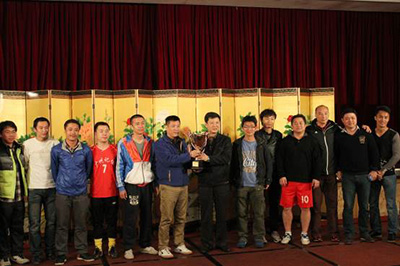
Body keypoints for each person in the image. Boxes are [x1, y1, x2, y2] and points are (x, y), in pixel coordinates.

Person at [154, 115, 198, 259]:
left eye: (178, 126)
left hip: (183, 184)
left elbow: (185, 161)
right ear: (166, 127)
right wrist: (188, 155)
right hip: (168, 185)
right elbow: (168, 160)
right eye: (173, 126)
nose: (176, 129)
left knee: (181, 218)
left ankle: (179, 243)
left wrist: (195, 160)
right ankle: (163, 246)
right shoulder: (159, 144)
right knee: (166, 218)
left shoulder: (182, 142)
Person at [51, 119, 94, 265]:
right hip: (62, 192)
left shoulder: (86, 150)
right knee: (62, 225)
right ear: (65, 131)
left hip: (81, 192)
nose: (73, 132)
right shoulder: (56, 150)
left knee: (81, 224)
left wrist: (81, 182)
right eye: (70, 129)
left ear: (79, 131)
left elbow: (88, 170)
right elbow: (54, 170)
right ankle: (61, 254)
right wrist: (61, 183)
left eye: (76, 129)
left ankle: (82, 251)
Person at [335, 108, 380, 245]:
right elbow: (335, 155)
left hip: (365, 176)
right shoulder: (339, 135)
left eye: (353, 118)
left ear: (357, 119)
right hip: (347, 176)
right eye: (347, 118)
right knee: (348, 206)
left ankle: (364, 232)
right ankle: (349, 234)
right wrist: (337, 170)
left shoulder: (365, 134)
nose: (350, 120)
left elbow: (374, 154)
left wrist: (374, 170)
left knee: (364, 206)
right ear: (342, 121)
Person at [116, 115, 158, 260]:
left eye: (142, 123)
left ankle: (145, 244)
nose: (140, 126)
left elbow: (154, 163)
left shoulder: (150, 142)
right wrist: (121, 186)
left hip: (147, 184)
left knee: (147, 215)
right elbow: (119, 166)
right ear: (131, 126)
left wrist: (155, 184)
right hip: (131, 185)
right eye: (137, 124)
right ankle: (128, 247)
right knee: (130, 217)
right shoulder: (123, 142)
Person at [277, 114, 321, 246]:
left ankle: (304, 233)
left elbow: (318, 160)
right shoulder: (285, 141)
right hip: (288, 182)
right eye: (295, 123)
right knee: (286, 208)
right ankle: (288, 233)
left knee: (305, 208)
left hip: (306, 182)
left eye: (301, 123)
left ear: (305, 125)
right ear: (291, 125)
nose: (298, 125)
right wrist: (281, 175)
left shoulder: (312, 141)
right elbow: (279, 160)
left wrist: (316, 177)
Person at [231, 115, 272, 248]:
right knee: (241, 213)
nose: (249, 129)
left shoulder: (261, 144)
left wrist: (268, 179)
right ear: (242, 128)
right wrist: (233, 181)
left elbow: (268, 162)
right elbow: (233, 165)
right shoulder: (237, 144)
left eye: (251, 127)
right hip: (242, 184)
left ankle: (259, 237)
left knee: (259, 213)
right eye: (246, 127)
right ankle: (243, 237)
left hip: (257, 183)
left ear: (256, 128)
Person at [23, 117, 59, 264]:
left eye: (46, 128)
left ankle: (50, 250)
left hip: (52, 188)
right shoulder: (27, 145)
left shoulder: (55, 144)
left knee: (51, 222)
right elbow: (24, 165)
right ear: (35, 129)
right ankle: (36, 253)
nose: (44, 130)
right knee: (34, 223)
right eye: (41, 128)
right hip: (34, 188)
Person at [196, 112, 232, 253]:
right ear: (206, 124)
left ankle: (222, 242)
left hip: (222, 181)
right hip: (204, 182)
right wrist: (196, 166)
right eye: (212, 123)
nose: (215, 125)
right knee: (205, 215)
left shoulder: (225, 140)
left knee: (222, 214)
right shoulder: (199, 139)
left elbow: (225, 158)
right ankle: (206, 244)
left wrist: (208, 158)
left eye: (217, 122)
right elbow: (195, 161)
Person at [306, 105, 340, 242]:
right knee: (316, 206)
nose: (323, 116)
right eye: (320, 113)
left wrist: (364, 128)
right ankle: (315, 233)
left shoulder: (336, 129)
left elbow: (351, 133)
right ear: (315, 114)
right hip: (316, 176)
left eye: (326, 113)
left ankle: (333, 232)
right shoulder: (309, 130)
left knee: (332, 206)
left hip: (332, 174)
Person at [0, 121, 30, 266]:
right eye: (7, 131)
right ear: (1, 134)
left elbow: (23, 170)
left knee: (18, 227)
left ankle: (16, 254)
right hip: (4, 197)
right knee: (2, 228)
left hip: (19, 195)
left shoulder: (19, 148)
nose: (11, 134)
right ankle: (3, 256)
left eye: (13, 131)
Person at [369, 106, 400, 242]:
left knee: (391, 204)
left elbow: (397, 156)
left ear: (388, 119)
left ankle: (393, 231)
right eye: (380, 116)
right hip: (372, 174)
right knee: (373, 203)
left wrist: (383, 170)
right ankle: (376, 230)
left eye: (386, 117)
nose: (383, 119)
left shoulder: (394, 135)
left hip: (389, 174)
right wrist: (374, 171)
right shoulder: (369, 134)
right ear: (375, 118)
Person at [91, 122, 118, 259]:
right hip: (96, 193)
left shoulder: (115, 150)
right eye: (101, 131)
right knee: (97, 222)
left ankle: (112, 246)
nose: (104, 133)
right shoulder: (90, 151)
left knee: (112, 221)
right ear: (95, 134)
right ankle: (98, 247)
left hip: (112, 192)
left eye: (106, 130)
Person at [255, 109, 283, 243]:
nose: (269, 122)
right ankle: (260, 232)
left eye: (272, 118)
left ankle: (274, 230)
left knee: (274, 203)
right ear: (261, 120)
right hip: (259, 173)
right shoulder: (256, 135)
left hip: (276, 173)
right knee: (259, 204)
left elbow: (281, 155)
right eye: (266, 119)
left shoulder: (278, 135)